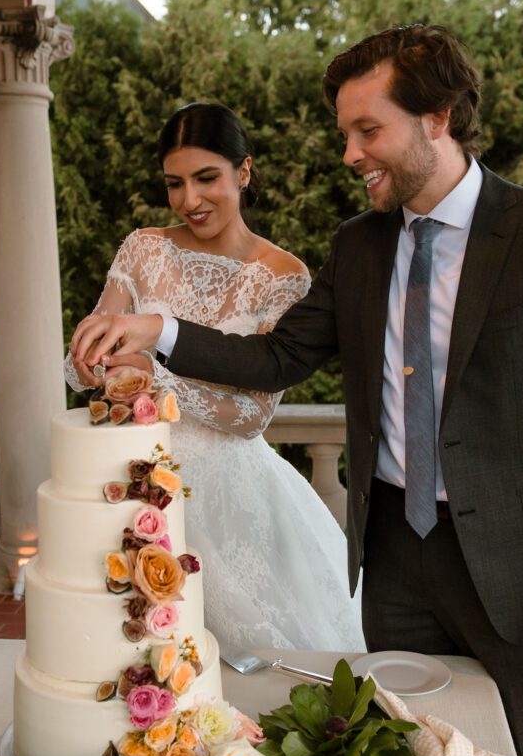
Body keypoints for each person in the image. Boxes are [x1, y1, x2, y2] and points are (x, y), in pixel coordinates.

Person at [73, 26, 523, 756]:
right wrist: (159, 331)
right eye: (344, 133)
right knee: (409, 755)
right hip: (391, 558)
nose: (350, 154)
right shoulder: (359, 247)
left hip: (522, 576)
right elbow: (274, 363)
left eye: (367, 131)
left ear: (437, 117)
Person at [68, 101, 363, 653]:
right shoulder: (143, 248)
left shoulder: (282, 275)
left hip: (229, 496)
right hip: (130, 479)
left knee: (241, 662)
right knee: (127, 650)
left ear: (244, 172)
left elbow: (252, 415)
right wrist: (91, 358)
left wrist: (159, 380)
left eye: (207, 178)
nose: (189, 200)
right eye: (174, 184)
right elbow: (90, 359)